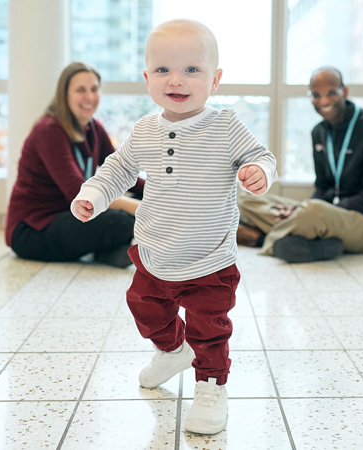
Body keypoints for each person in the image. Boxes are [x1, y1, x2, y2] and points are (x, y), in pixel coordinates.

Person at [71, 19, 277, 435]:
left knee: (210, 330)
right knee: (144, 307)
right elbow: (119, 169)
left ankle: (210, 386)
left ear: (215, 80)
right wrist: (94, 194)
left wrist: (259, 171)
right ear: (147, 78)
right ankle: (171, 350)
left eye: (192, 70)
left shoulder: (225, 127)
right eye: (163, 70)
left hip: (209, 259)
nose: (176, 80)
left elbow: (262, 155)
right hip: (154, 252)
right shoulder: (146, 129)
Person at [237, 66, 363, 263]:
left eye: (331, 93)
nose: (323, 101)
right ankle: (309, 237)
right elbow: (322, 187)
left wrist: (311, 209)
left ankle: (262, 239)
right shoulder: (319, 132)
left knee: (313, 212)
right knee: (246, 199)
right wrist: (300, 210)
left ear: (344, 91)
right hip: (325, 211)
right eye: (316, 95)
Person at [5, 62, 144, 267]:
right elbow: (79, 193)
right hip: (33, 230)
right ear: (65, 95)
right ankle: (106, 249)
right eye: (80, 90)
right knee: (122, 220)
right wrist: (142, 208)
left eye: (94, 89)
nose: (89, 96)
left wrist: (158, 193)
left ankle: (107, 252)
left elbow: (123, 174)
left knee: (136, 206)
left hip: (70, 219)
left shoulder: (94, 128)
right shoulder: (49, 131)